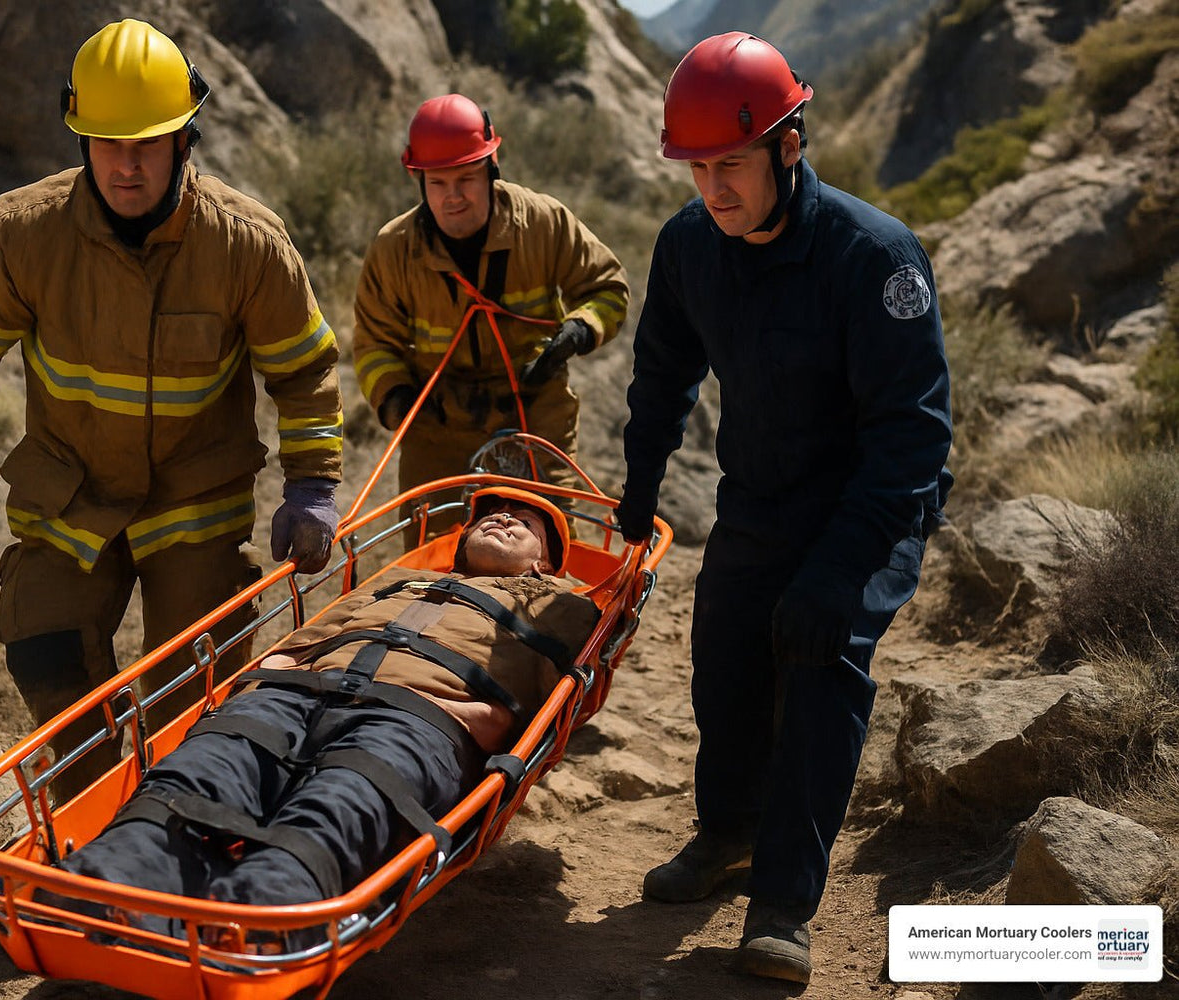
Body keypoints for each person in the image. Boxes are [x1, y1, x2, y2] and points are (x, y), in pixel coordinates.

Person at [0, 19, 344, 794]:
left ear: (185, 140)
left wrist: (314, 486)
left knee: (192, 690)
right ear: (80, 140)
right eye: (107, 143)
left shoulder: (248, 245)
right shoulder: (23, 236)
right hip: (73, 494)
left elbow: (302, 372)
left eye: (147, 143)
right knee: (46, 654)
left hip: (193, 502)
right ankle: (105, 810)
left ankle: (178, 816)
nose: (127, 165)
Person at [615, 33, 953, 985]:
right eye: (697, 169)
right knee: (724, 648)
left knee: (818, 660)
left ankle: (783, 901)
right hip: (760, 493)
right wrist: (641, 480)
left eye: (731, 165)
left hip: (871, 504)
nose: (713, 189)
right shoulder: (691, 245)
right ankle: (725, 833)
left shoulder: (875, 257)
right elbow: (661, 373)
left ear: (789, 148)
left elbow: (914, 440)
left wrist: (842, 570)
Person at [46, 486, 597, 938]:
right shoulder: (400, 580)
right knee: (204, 769)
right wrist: (261, 685)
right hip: (299, 692)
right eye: (491, 513)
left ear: (545, 561)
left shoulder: (563, 603)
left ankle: (255, 920)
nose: (502, 517)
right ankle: (108, 883)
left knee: (343, 799)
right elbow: (305, 638)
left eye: (523, 520)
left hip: (423, 717)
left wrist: (487, 720)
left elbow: (558, 702)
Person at [353, 94, 629, 537]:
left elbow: (609, 288)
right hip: (438, 429)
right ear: (419, 181)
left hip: (535, 419)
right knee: (434, 567)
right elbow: (372, 344)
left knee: (546, 550)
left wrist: (579, 331)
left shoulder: (542, 223)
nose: (454, 197)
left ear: (491, 168)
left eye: (467, 178)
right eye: (438, 183)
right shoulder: (394, 250)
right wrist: (397, 399)